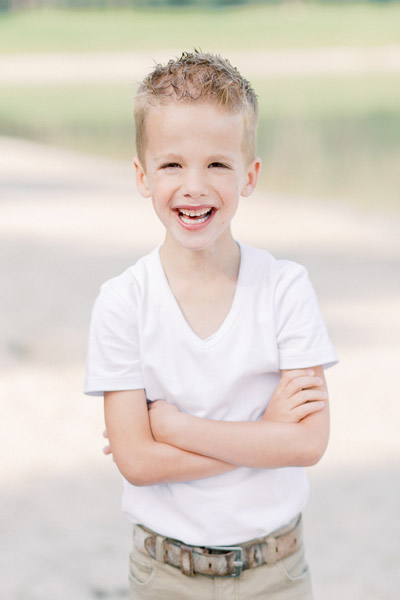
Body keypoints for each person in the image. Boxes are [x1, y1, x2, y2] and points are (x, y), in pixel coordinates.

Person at [84, 51, 338, 600]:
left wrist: (175, 428)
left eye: (217, 165)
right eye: (172, 164)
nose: (194, 185)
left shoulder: (285, 288)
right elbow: (137, 461)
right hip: (164, 574)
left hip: (276, 570)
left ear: (249, 176)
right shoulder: (122, 302)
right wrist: (264, 431)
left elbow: (308, 442)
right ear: (142, 176)